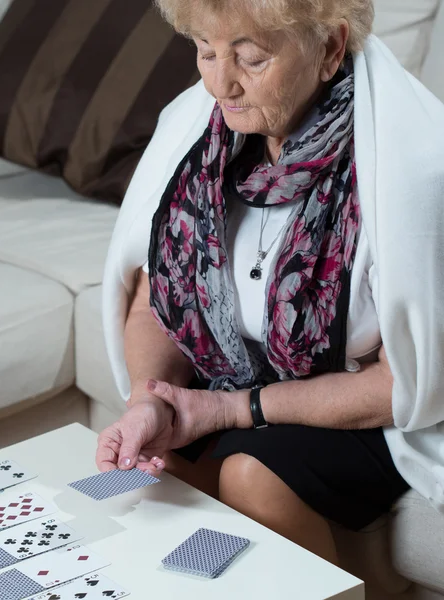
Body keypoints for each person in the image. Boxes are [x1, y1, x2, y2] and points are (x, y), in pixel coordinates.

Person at [97, 0, 444, 565]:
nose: (221, 84)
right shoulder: (192, 135)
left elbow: (401, 384)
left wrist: (236, 410)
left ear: (330, 48)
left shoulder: (413, 168)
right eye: (206, 52)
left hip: (360, 409)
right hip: (231, 382)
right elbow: (152, 304)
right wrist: (149, 401)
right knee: (143, 477)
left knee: (249, 474)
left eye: (251, 59)